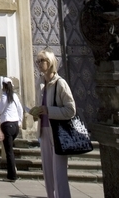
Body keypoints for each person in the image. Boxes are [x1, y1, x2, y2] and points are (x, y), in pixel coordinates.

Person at [30, 50, 75, 198]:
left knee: (59, 173)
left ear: (49, 62)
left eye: (41, 61)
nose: (38, 64)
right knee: (48, 173)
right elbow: (42, 106)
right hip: (43, 130)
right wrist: (37, 112)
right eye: (37, 61)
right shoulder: (40, 83)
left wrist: (48, 110)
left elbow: (70, 110)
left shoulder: (60, 83)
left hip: (58, 132)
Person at [0, 77, 24, 182]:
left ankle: (12, 176)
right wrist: (19, 121)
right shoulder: (14, 96)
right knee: (10, 150)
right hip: (15, 125)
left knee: (9, 152)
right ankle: (13, 169)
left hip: (7, 125)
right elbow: (20, 109)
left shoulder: (4, 96)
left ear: (4, 86)